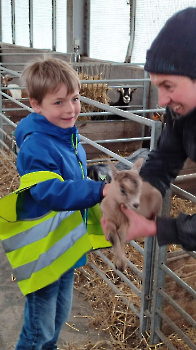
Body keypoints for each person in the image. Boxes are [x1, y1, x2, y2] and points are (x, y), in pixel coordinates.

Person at [12, 57, 110, 350]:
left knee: (58, 317)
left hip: (64, 244)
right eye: (59, 102)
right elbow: (48, 192)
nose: (70, 109)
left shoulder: (68, 136)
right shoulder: (36, 145)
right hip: (43, 251)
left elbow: (70, 173)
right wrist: (98, 190)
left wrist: (94, 173)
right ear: (36, 104)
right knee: (38, 329)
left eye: (75, 98)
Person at [101, 7, 196, 251]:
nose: (161, 100)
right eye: (157, 86)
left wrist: (159, 228)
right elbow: (165, 158)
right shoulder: (180, 112)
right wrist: (131, 206)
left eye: (168, 85)